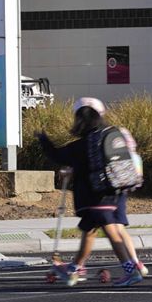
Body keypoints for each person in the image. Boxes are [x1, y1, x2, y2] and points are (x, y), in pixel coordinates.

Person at [38, 97, 143, 287]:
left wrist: (43, 140)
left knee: (111, 232)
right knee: (89, 231)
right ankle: (73, 269)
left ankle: (130, 270)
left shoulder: (85, 143)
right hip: (112, 191)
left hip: (95, 195)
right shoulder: (109, 134)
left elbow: (57, 155)